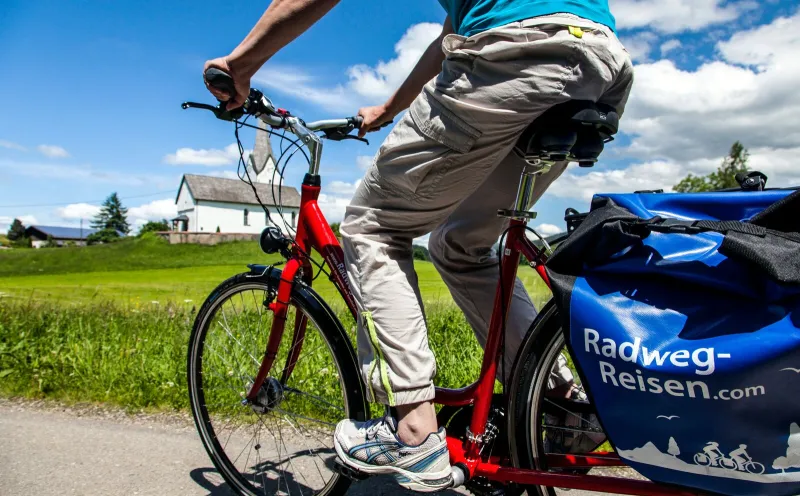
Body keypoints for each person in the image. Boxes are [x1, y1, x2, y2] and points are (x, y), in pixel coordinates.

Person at [204, 0, 632, 491]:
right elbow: (451, 30)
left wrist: (239, 66)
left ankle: (411, 432)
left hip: (520, 52)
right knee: (459, 244)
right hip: (600, 58)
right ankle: (556, 404)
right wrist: (389, 109)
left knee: (372, 226)